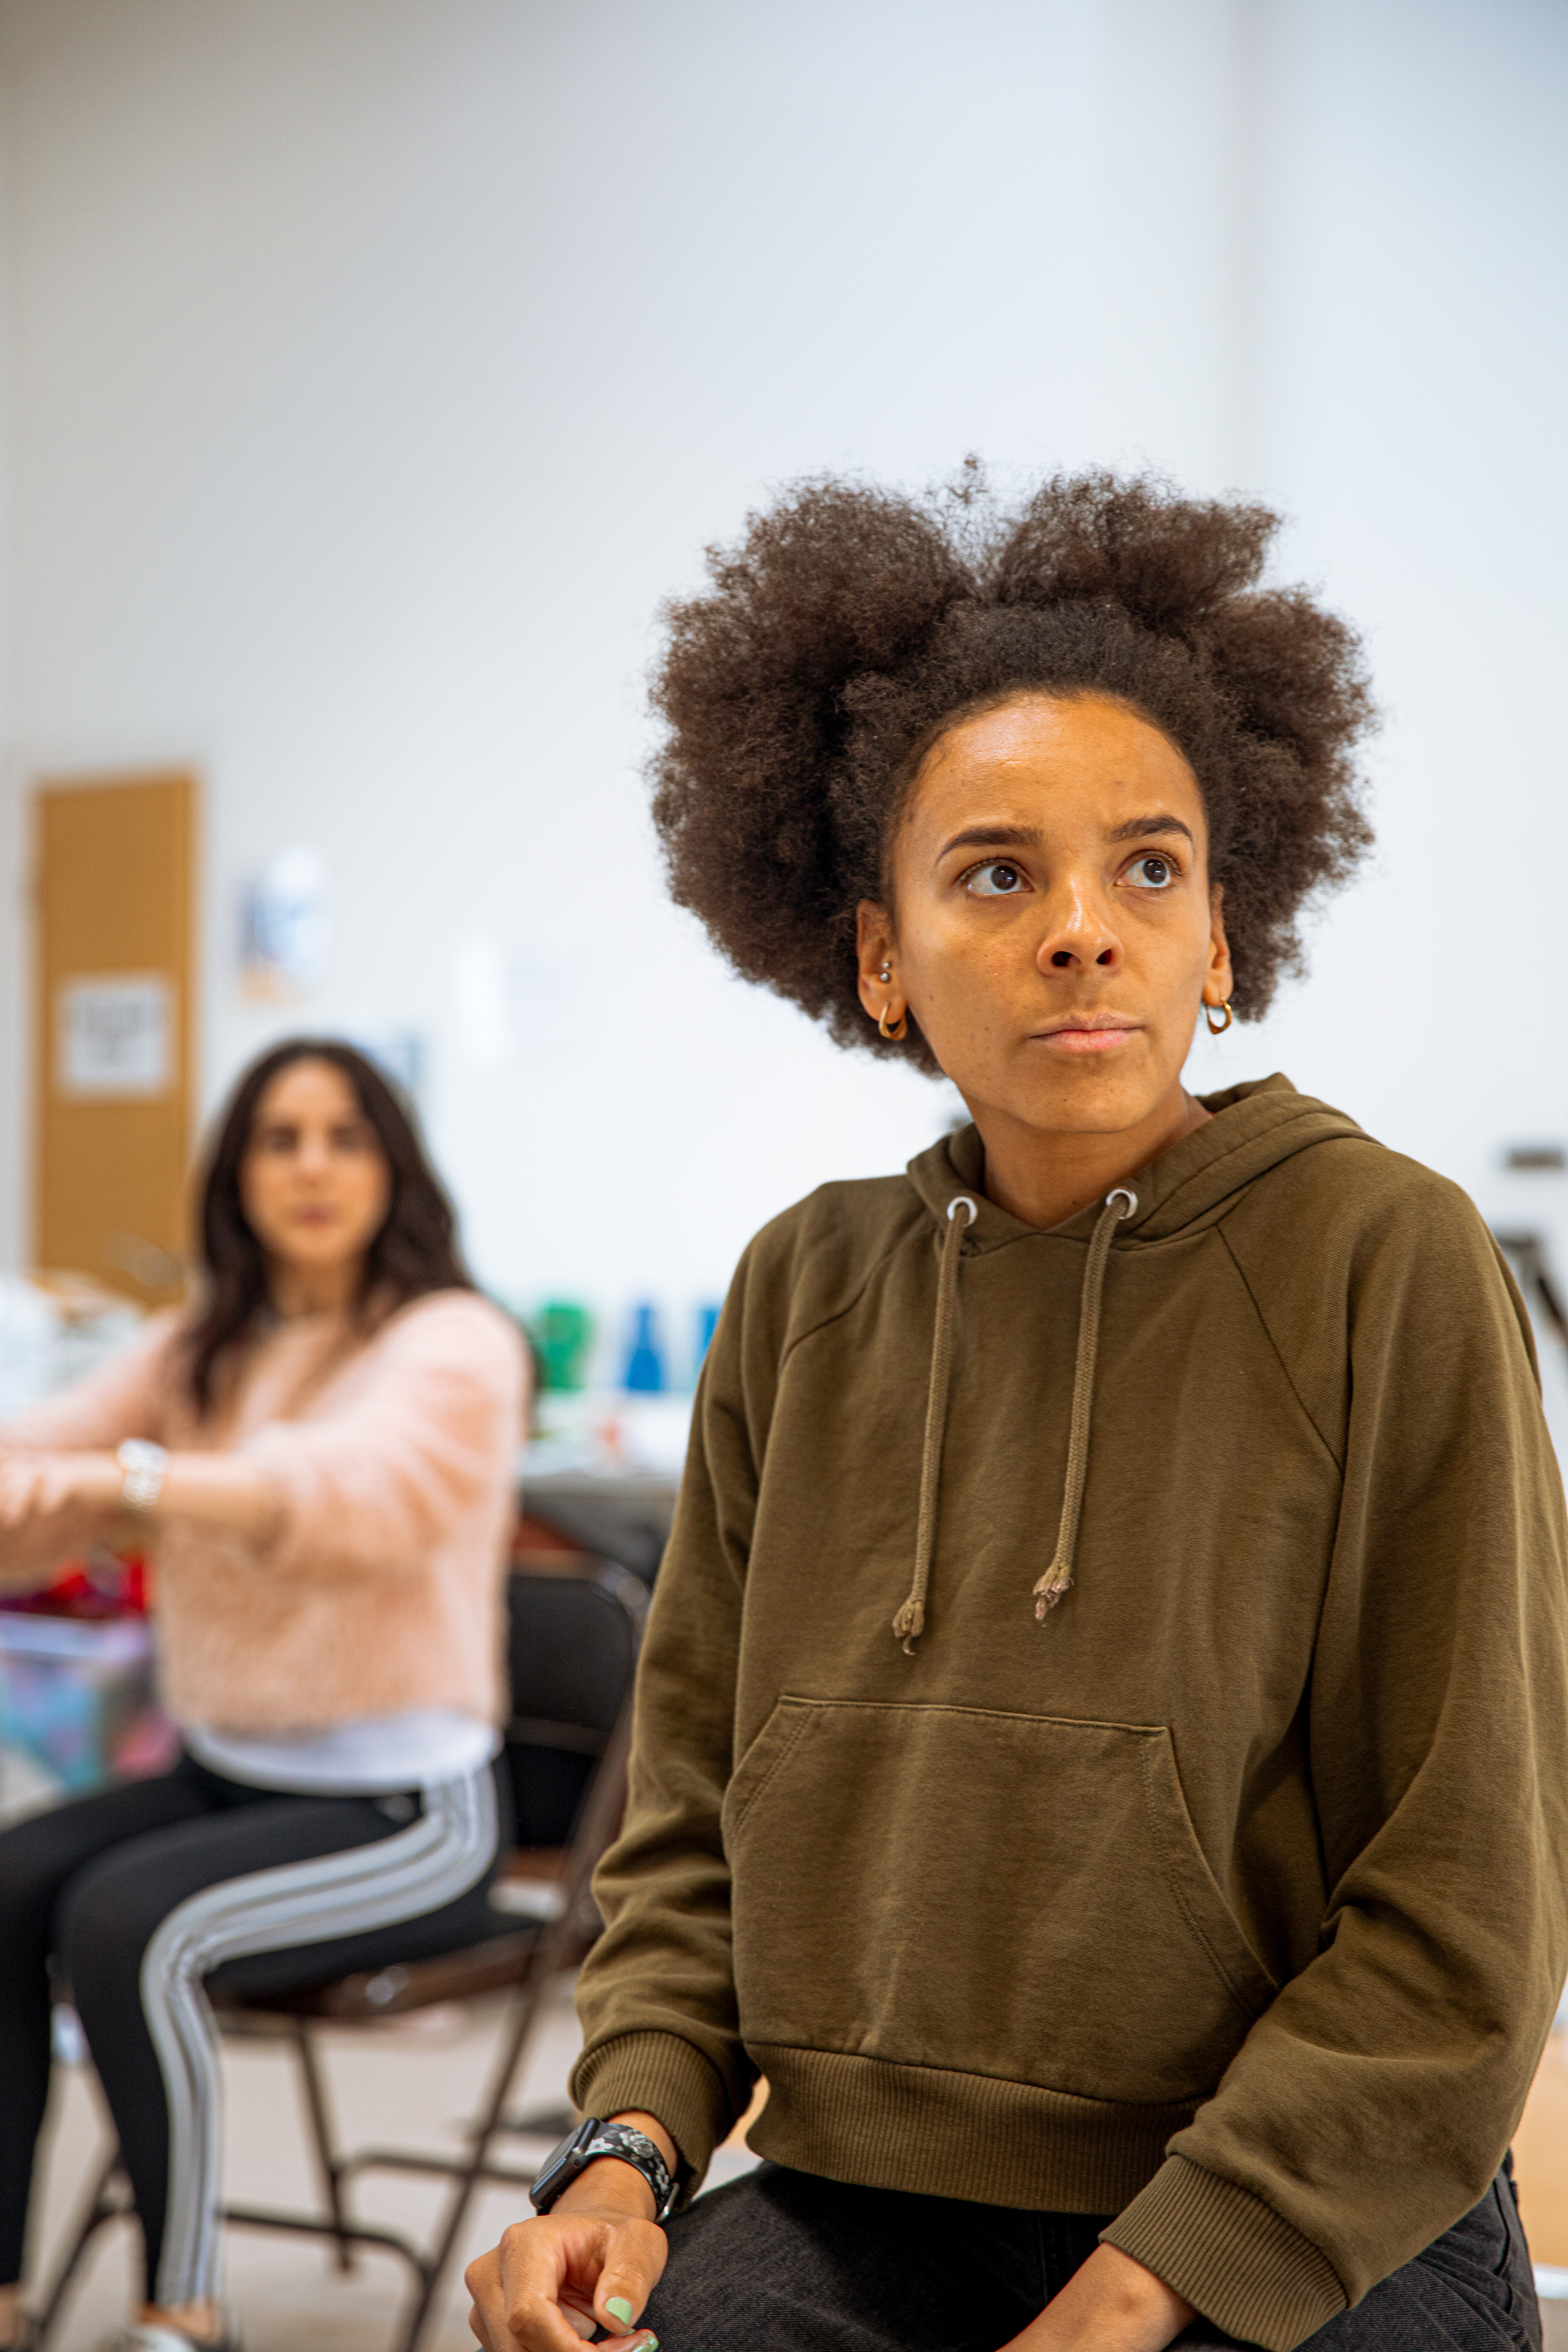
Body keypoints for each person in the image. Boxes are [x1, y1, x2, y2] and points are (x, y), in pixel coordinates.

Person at [465, 470, 1568, 2352]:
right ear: (878, 955)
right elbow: (688, 1839)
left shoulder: (1392, 1255)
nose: (1082, 928)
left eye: (1149, 868)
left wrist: (1147, 2289)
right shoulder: (804, 1289)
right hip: (855, 2202)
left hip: (1296, 2208)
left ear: (1222, 938)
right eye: (998, 872)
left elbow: (1466, 1912)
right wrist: (627, 2151)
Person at [0, 1038, 527, 2352]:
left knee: (130, 1922)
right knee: (9, 1885)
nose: (308, 1167)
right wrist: (53, 1486)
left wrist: (137, 1482)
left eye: (342, 1137)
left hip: (409, 1808)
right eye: (276, 1138)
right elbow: (42, 1463)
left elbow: (344, 1489)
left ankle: (183, 2317)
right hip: (232, 1768)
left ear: (392, 1166)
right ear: (235, 1172)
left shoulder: (454, 1342)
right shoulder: (201, 1346)